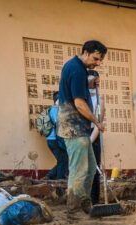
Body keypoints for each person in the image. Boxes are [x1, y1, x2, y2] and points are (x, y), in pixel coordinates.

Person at [58, 39, 107, 213]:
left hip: (79, 127)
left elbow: (72, 87)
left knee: (91, 166)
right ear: (86, 52)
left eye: (100, 60)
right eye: (95, 58)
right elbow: (79, 103)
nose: (97, 63)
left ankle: (84, 202)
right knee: (79, 169)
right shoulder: (78, 70)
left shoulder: (75, 68)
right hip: (73, 126)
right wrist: (96, 122)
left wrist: (88, 84)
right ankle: (74, 208)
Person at [88, 70, 105, 204]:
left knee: (95, 168)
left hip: (94, 135)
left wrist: (90, 141)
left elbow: (99, 122)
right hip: (80, 133)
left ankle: (94, 200)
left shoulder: (99, 99)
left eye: (96, 80)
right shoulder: (80, 97)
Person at [45, 92, 68, 180]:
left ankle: (51, 176)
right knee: (62, 161)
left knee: (63, 160)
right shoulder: (55, 109)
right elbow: (57, 122)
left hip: (54, 139)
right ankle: (58, 180)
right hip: (54, 140)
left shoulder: (54, 109)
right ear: (56, 101)